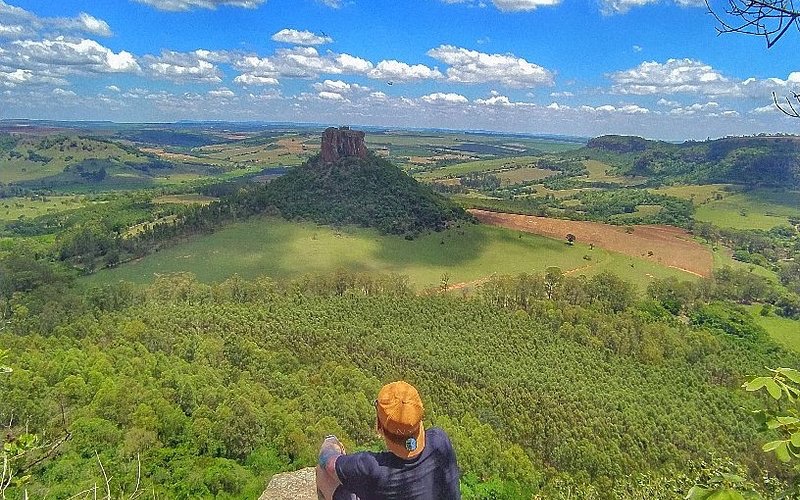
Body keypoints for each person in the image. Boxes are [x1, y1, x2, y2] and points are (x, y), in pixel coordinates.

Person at [316, 381, 461, 500]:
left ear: (379, 426)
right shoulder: (440, 441)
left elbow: (327, 464)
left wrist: (331, 442)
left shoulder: (371, 467)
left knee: (322, 474)